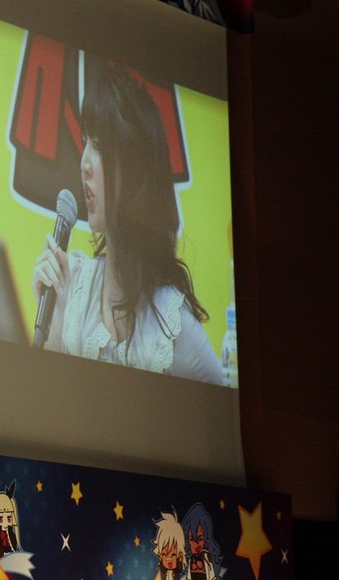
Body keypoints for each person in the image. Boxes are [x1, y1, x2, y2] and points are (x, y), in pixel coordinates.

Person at [30, 63, 221, 383]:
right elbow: (43, 395)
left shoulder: (170, 323)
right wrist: (52, 316)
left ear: (135, 174)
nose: (84, 163)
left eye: (99, 147)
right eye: (85, 141)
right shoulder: (72, 287)